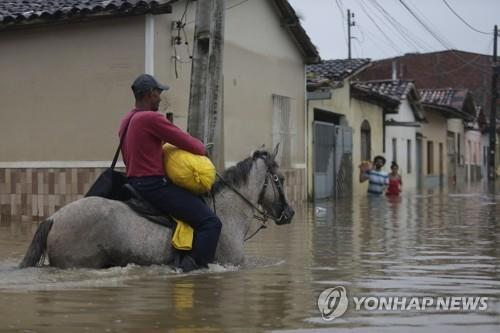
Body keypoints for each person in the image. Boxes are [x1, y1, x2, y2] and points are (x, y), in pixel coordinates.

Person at [119, 74, 222, 272]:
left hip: (132, 182)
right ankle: (194, 270)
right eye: (159, 94)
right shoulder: (151, 118)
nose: (160, 98)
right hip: (153, 186)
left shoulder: (127, 119)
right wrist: (203, 149)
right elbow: (184, 140)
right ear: (150, 95)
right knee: (210, 223)